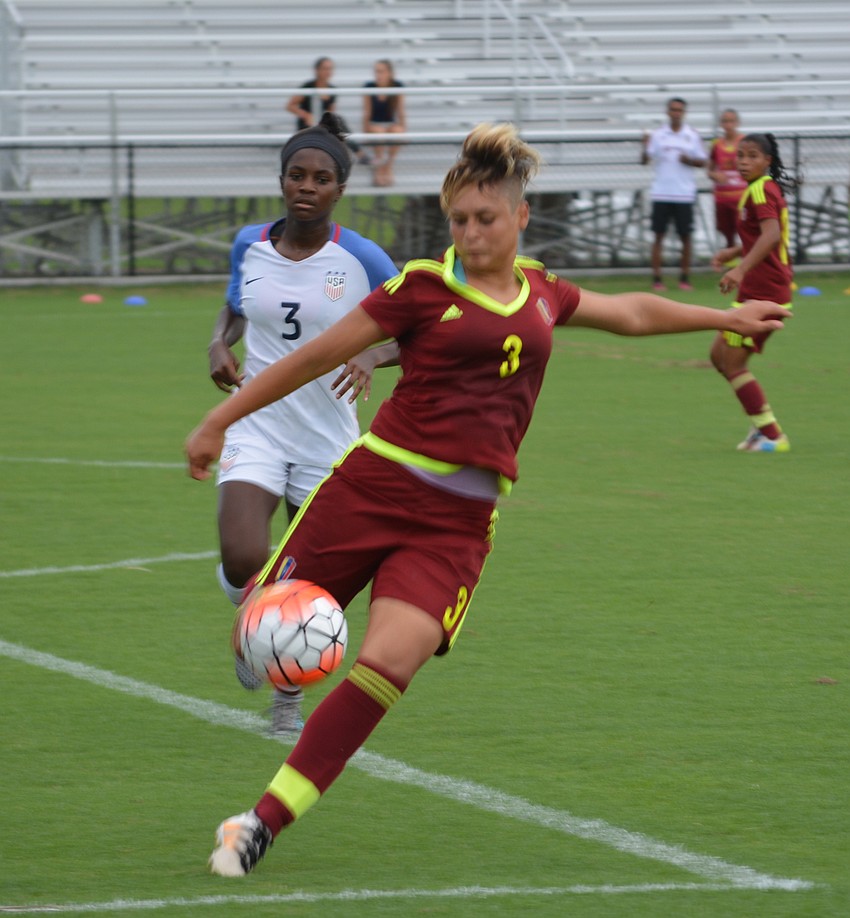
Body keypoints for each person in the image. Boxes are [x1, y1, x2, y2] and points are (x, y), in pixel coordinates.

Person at [185, 122, 790, 878]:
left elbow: (632, 312)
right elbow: (315, 357)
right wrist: (218, 419)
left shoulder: (542, 292)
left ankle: (261, 821)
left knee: (384, 667)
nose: (472, 233)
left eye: (486, 219)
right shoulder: (421, 289)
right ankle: (259, 634)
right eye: (460, 221)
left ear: (519, 217)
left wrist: (725, 317)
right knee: (265, 637)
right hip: (371, 488)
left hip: (456, 524)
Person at [208, 111, 398, 734]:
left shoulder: (362, 257)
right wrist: (219, 344)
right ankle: (248, 620)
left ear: (340, 189)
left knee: (309, 584)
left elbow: (423, 324)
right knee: (243, 557)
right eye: (296, 174)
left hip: (329, 437)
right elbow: (237, 306)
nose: (306, 186)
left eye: (320, 177)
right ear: (282, 180)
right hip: (258, 423)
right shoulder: (250, 243)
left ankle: (286, 702)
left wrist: (373, 351)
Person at [710, 132, 794, 452]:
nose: (744, 162)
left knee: (732, 363)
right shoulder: (760, 189)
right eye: (741, 156)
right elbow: (763, 235)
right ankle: (762, 428)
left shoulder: (761, 191)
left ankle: (772, 435)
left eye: (752, 156)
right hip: (756, 290)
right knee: (719, 356)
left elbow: (771, 235)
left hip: (765, 292)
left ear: (767, 161)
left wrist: (741, 269)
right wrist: (734, 252)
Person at [641, 97, 708, 291]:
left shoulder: (691, 135)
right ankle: (657, 279)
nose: (676, 113)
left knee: (685, 237)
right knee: (658, 236)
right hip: (661, 193)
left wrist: (689, 161)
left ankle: (685, 278)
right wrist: (644, 146)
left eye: (679, 110)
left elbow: (703, 162)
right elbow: (645, 160)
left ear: (684, 113)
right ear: (668, 112)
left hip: (684, 194)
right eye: (673, 109)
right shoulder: (658, 134)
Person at [285, 57, 371, 166]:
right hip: (307, 125)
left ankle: (351, 155)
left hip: (322, 124)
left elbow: (331, 112)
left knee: (339, 123)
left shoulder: (332, 89)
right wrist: (306, 115)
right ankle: (359, 154)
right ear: (317, 70)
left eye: (330, 69)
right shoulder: (308, 87)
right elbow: (290, 106)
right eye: (325, 68)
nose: (328, 72)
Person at [362, 59, 406, 187]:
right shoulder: (369, 87)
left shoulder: (397, 86)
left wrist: (404, 130)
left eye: (381, 71)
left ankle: (388, 166)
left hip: (389, 124)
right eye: (376, 72)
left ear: (390, 73)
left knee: (398, 131)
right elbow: (367, 112)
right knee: (379, 132)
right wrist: (365, 131)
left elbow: (401, 111)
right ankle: (380, 168)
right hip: (374, 124)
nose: (378, 75)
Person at [707, 108, 746, 248]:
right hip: (722, 196)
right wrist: (714, 175)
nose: (728, 125)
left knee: (743, 228)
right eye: (725, 121)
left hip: (741, 195)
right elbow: (709, 170)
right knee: (726, 230)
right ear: (721, 124)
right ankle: (731, 257)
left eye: (731, 121)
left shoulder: (744, 142)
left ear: (737, 123)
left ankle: (748, 257)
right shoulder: (716, 144)